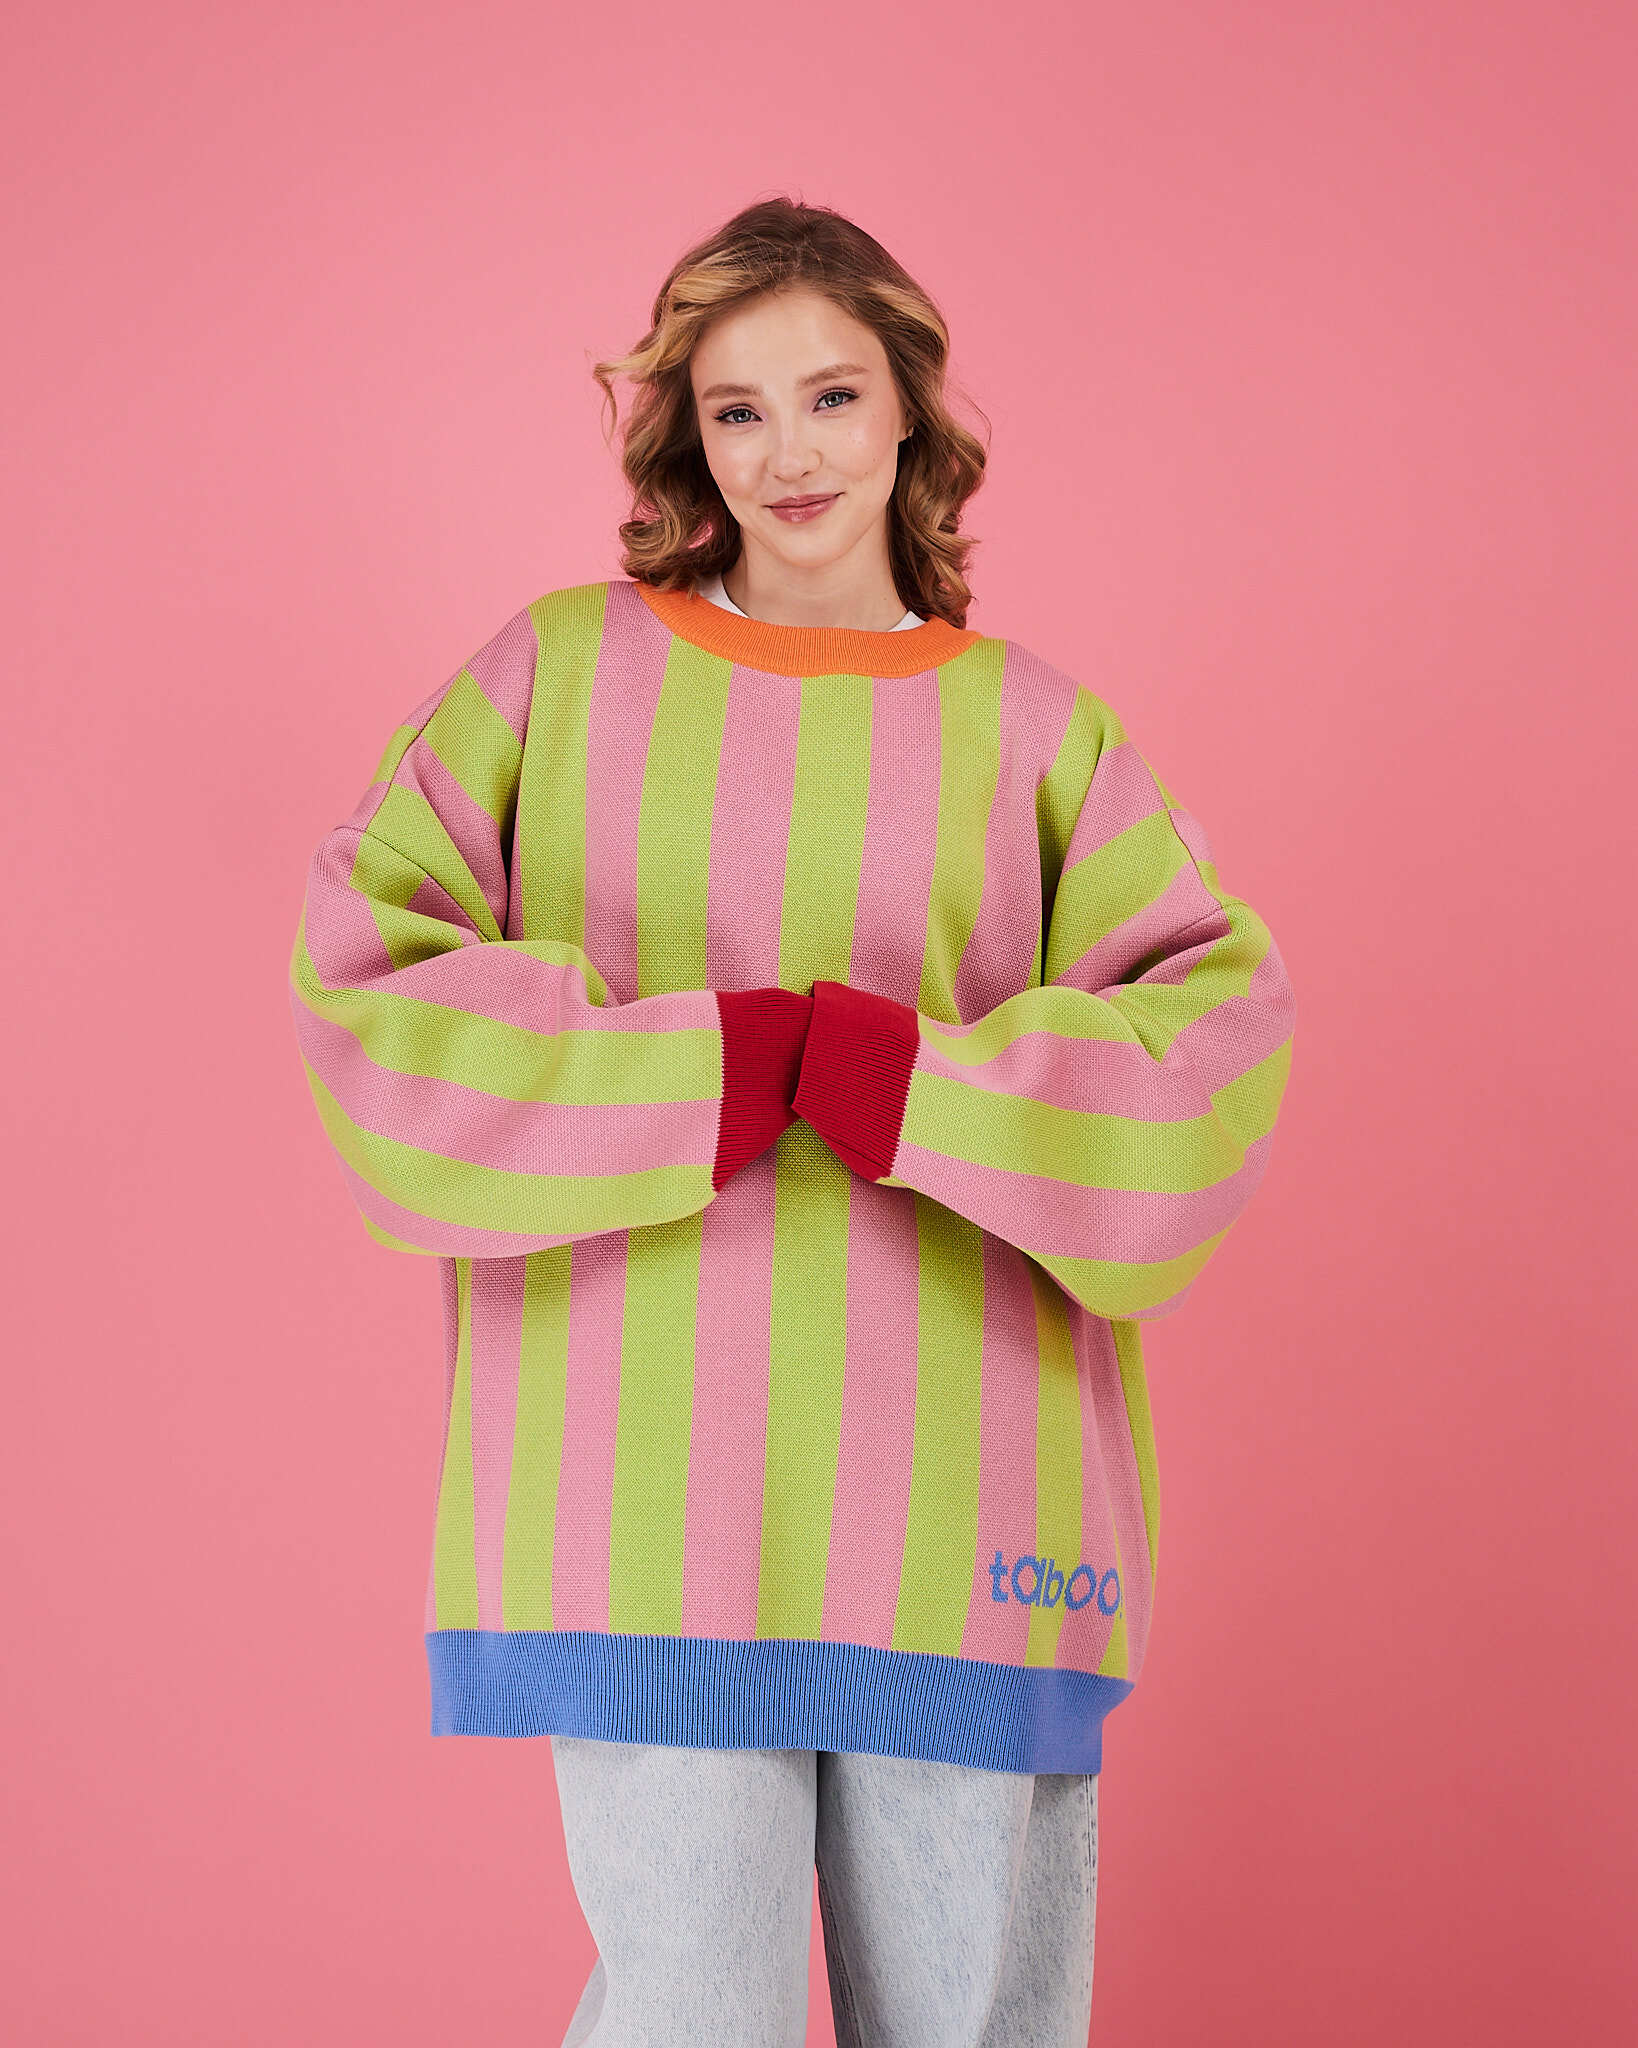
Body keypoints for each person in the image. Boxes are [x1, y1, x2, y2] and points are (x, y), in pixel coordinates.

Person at [288, 195, 1297, 2046]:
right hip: (638, 1494)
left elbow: (1209, 1058)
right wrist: (706, 1069)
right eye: (736, 411)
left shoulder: (1037, 732)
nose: (790, 454)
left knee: (977, 2027)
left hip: (972, 1501)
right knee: (689, 2020)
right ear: (690, 437)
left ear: (908, 407)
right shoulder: (558, 671)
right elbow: (369, 989)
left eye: (831, 396)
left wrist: (913, 1087)